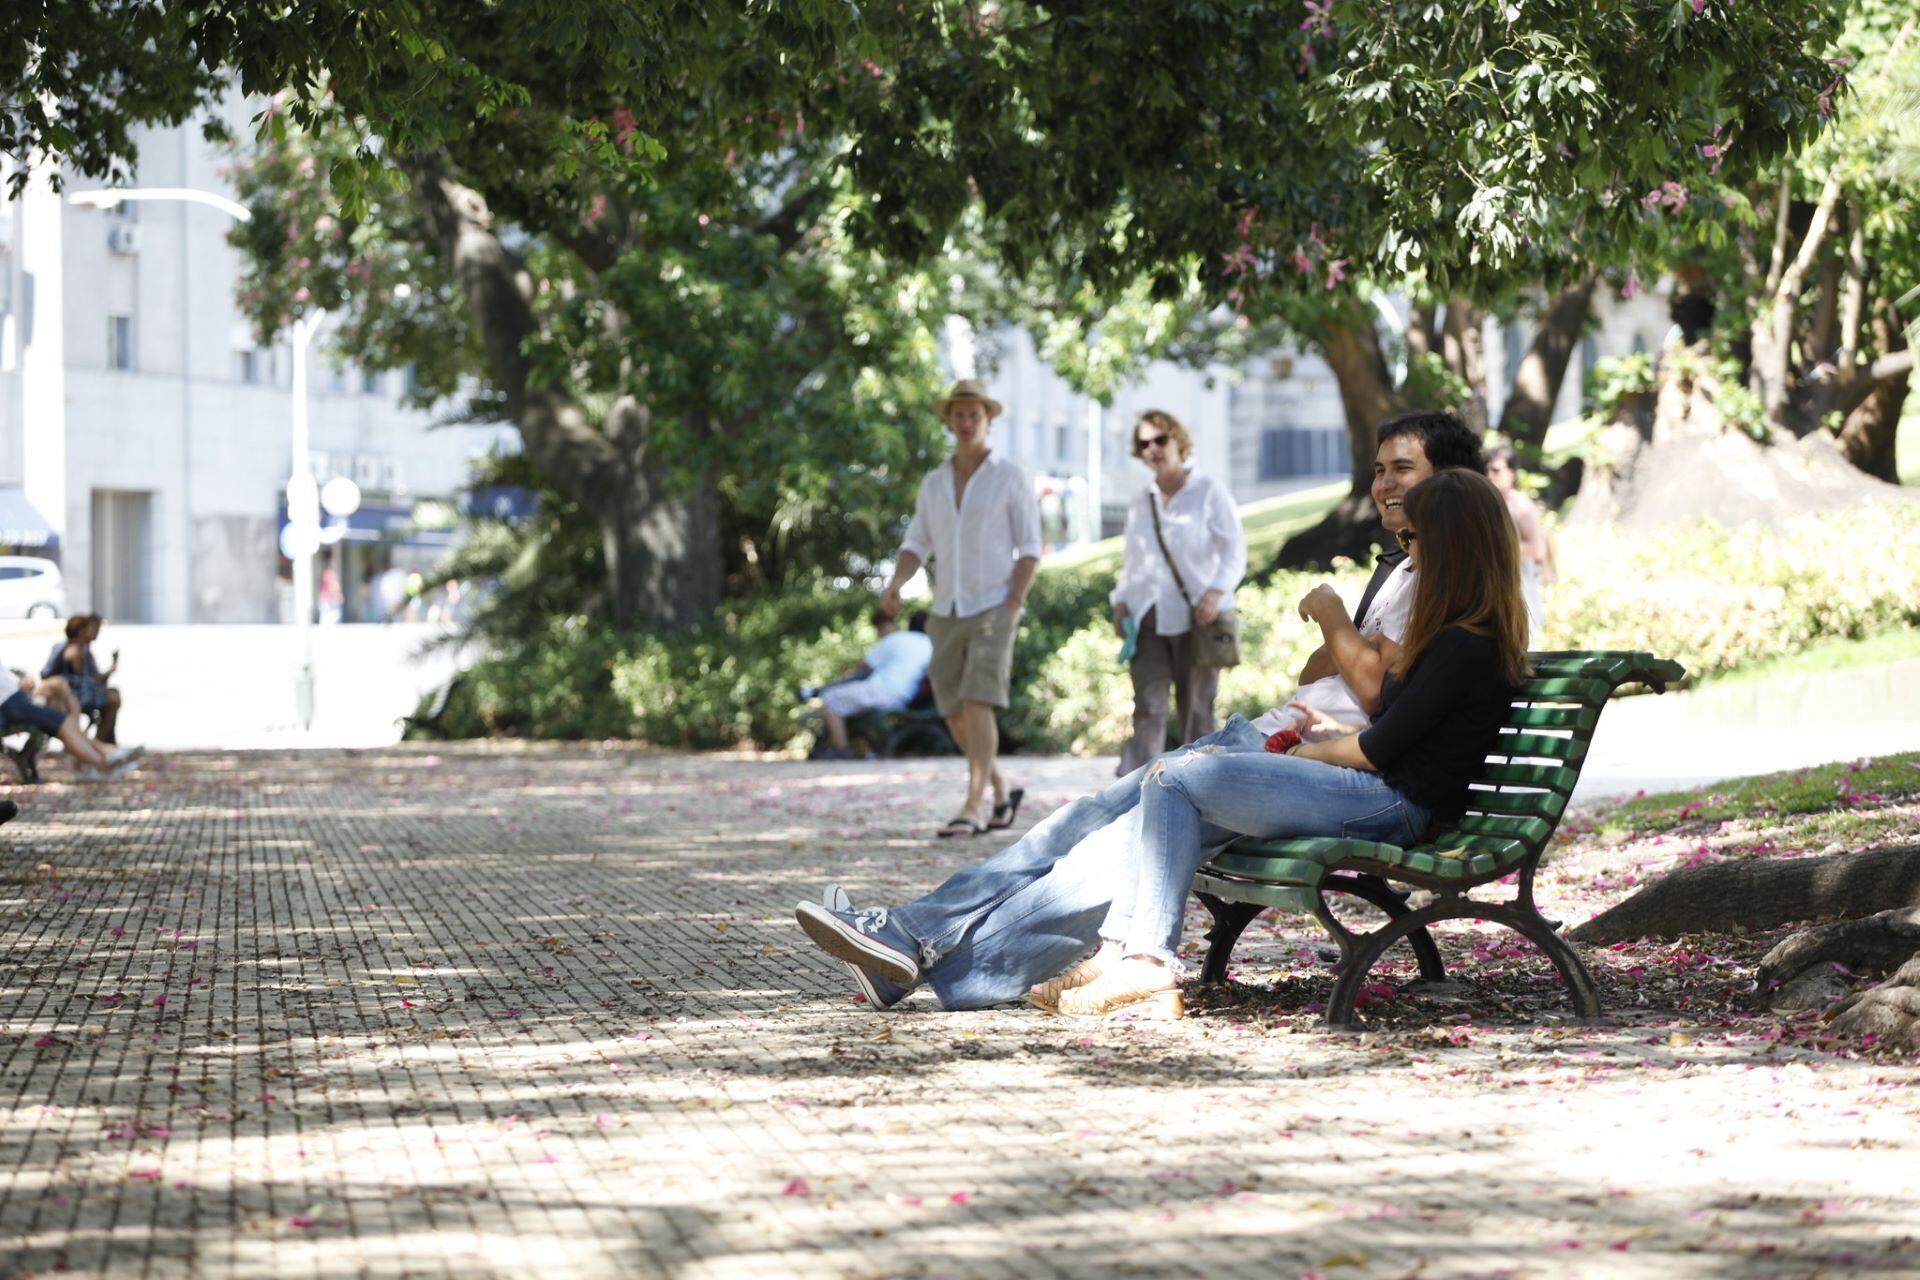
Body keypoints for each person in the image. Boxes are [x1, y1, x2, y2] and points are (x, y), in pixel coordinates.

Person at [794, 411, 1486, 1010]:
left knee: (1111, 847)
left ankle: (932, 949)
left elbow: (1374, 693)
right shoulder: (1400, 568)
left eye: (1404, 469)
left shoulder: (1449, 578)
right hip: (1280, 732)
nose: (1385, 483)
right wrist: (1348, 646)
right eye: (1379, 469)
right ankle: (916, 942)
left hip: (1319, 764)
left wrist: (1336, 618)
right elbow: (1324, 670)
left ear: (1452, 484)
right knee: (1079, 823)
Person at [1048, 467, 1529, 1018]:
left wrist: (1305, 752)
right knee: (1173, 784)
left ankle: (1147, 966)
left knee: (1176, 779)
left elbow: (1382, 752)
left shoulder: (1465, 645)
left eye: (1412, 539)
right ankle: (1120, 954)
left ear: (1451, 545)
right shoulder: (1452, 634)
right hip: (1380, 788)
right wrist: (1338, 735)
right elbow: (1409, 732)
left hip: (1391, 802)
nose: (1408, 555)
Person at [879, 378, 1043, 838]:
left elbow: (1030, 548)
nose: (967, 422)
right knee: (952, 710)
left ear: (988, 419)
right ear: (949, 421)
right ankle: (1000, 789)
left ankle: (972, 806)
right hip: (946, 608)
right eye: (959, 414)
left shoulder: (1010, 477)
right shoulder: (933, 483)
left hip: (994, 605)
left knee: (978, 701)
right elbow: (917, 543)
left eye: (975, 414)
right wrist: (895, 584)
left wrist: (1014, 603)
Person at [1110, 410, 1247, 774]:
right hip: (1149, 616)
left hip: (1197, 618)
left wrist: (1216, 592)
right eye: (1144, 443)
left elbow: (1235, 549)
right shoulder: (1143, 501)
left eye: (1160, 439)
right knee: (1148, 709)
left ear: (1177, 441)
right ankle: (1132, 794)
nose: (1152, 448)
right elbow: (1133, 561)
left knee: (1197, 710)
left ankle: (1200, 790)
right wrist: (1120, 601)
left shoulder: (1208, 491)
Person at [805, 610, 936, 760]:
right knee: (847, 701)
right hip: (906, 698)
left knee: (831, 698)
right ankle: (853, 747)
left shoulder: (897, 638)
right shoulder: (930, 645)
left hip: (882, 691)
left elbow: (863, 663)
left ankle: (841, 749)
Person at [1, 666, 137, 781]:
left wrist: (21, 680)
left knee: (62, 706)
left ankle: (105, 758)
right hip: (10, 705)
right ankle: (104, 763)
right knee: (64, 721)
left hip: (15, 699)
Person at [1483, 445, 1555, 639]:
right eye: (1487, 469)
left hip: (1521, 588)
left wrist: (1495, 550)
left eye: (1496, 470)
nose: (1490, 475)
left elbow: (1537, 549)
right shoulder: (1492, 503)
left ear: (1512, 473)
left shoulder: (1519, 504)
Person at [43, 613, 122, 744]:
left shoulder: (81, 649)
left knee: (114, 695)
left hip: (76, 694)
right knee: (113, 699)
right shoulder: (74, 650)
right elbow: (83, 681)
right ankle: (99, 744)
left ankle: (102, 743)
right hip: (73, 696)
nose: (93, 632)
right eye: (90, 629)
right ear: (81, 631)